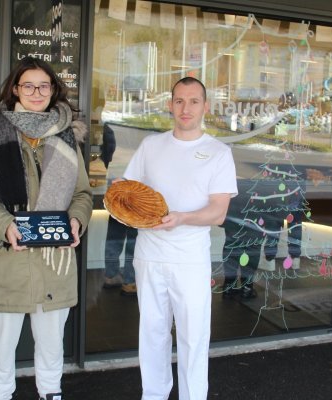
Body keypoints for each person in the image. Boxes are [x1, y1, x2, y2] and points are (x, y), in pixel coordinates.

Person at [0, 56, 92, 400]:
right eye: (28, 85)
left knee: (52, 349)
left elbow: (82, 194)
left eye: (44, 85)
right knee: (1, 350)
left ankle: (51, 394)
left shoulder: (66, 139)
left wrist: (76, 219)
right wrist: (5, 225)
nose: (36, 92)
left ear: (53, 91)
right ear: (15, 89)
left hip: (55, 263)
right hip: (7, 260)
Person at [120, 77, 237, 400]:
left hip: (190, 260)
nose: (186, 109)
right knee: (153, 335)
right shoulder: (150, 147)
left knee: (193, 338)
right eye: (180, 101)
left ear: (205, 107)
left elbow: (218, 212)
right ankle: (153, 395)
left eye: (194, 101)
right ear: (170, 105)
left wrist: (182, 218)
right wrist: (127, 207)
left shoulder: (218, 152)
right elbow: (127, 192)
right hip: (149, 256)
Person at [101, 122, 138, 295]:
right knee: (133, 237)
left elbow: (106, 154)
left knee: (114, 234)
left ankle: (111, 274)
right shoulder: (150, 135)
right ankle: (130, 280)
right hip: (136, 184)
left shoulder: (112, 127)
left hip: (115, 178)